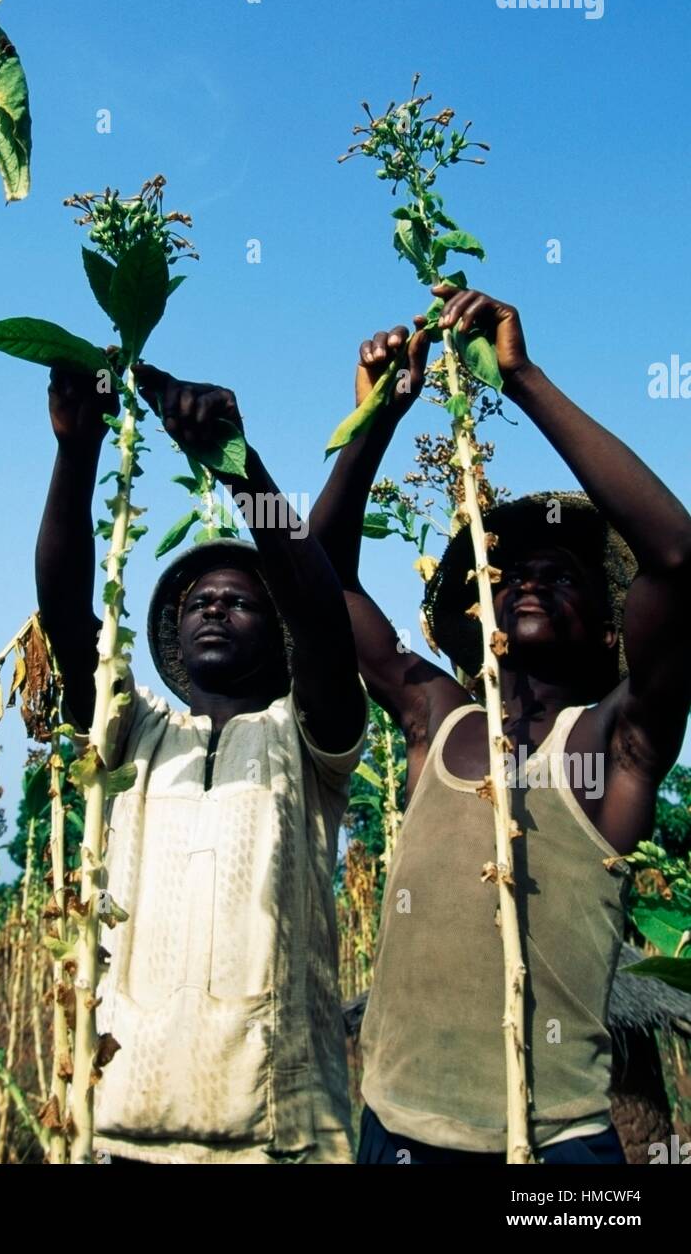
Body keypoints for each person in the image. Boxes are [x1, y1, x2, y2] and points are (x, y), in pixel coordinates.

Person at [311, 283, 691, 1164]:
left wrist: (522, 380)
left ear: (610, 627)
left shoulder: (611, 744)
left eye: (561, 574)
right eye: (508, 572)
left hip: (554, 1148)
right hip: (397, 1131)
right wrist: (378, 416)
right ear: (479, 615)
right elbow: (322, 581)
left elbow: (676, 556)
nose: (526, 580)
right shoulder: (436, 716)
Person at [36, 362, 367, 1164]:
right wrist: (77, 456)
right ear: (175, 634)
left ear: (276, 628)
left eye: (240, 598)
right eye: (197, 602)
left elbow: (324, 621)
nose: (214, 606)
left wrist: (237, 464)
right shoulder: (139, 733)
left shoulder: (306, 736)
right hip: (121, 1129)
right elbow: (66, 617)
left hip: (281, 1140)